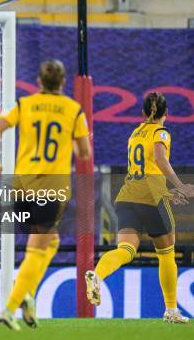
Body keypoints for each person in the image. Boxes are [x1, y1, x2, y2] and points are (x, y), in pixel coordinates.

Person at [0, 60, 91, 331]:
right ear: (64, 82)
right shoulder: (73, 110)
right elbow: (84, 154)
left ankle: (27, 295)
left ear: (38, 81)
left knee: (51, 242)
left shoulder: (25, 104)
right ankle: (10, 309)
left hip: (20, 186)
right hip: (50, 189)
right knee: (36, 248)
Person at [86, 92, 193, 324]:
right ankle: (171, 310)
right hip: (152, 197)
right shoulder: (161, 132)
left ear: (143, 113)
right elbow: (160, 161)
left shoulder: (135, 133)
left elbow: (145, 169)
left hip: (127, 196)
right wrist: (180, 187)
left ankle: (97, 274)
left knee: (126, 249)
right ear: (166, 113)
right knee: (166, 252)